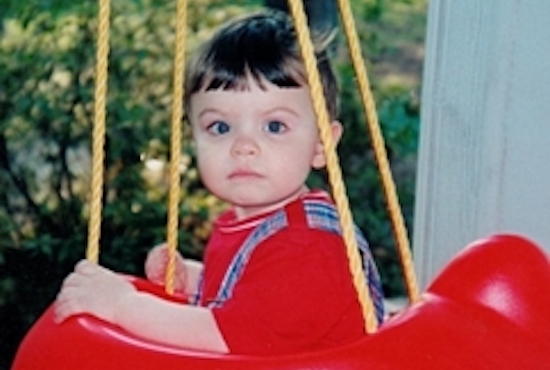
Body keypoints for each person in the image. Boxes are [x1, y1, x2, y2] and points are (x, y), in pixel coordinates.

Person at [54, 10, 384, 355]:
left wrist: (122, 305)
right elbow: (251, 299)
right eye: (220, 127)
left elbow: (223, 335)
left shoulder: (308, 245)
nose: (244, 146)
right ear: (194, 136)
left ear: (322, 145)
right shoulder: (252, 225)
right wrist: (193, 278)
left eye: (274, 126)